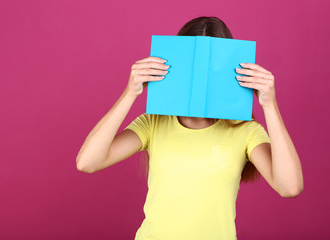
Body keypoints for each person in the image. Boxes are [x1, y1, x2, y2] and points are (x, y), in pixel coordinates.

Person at [76, 16, 304, 240]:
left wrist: (269, 105)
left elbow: (290, 187)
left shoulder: (245, 130)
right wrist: (130, 93)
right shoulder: (152, 123)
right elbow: (88, 162)